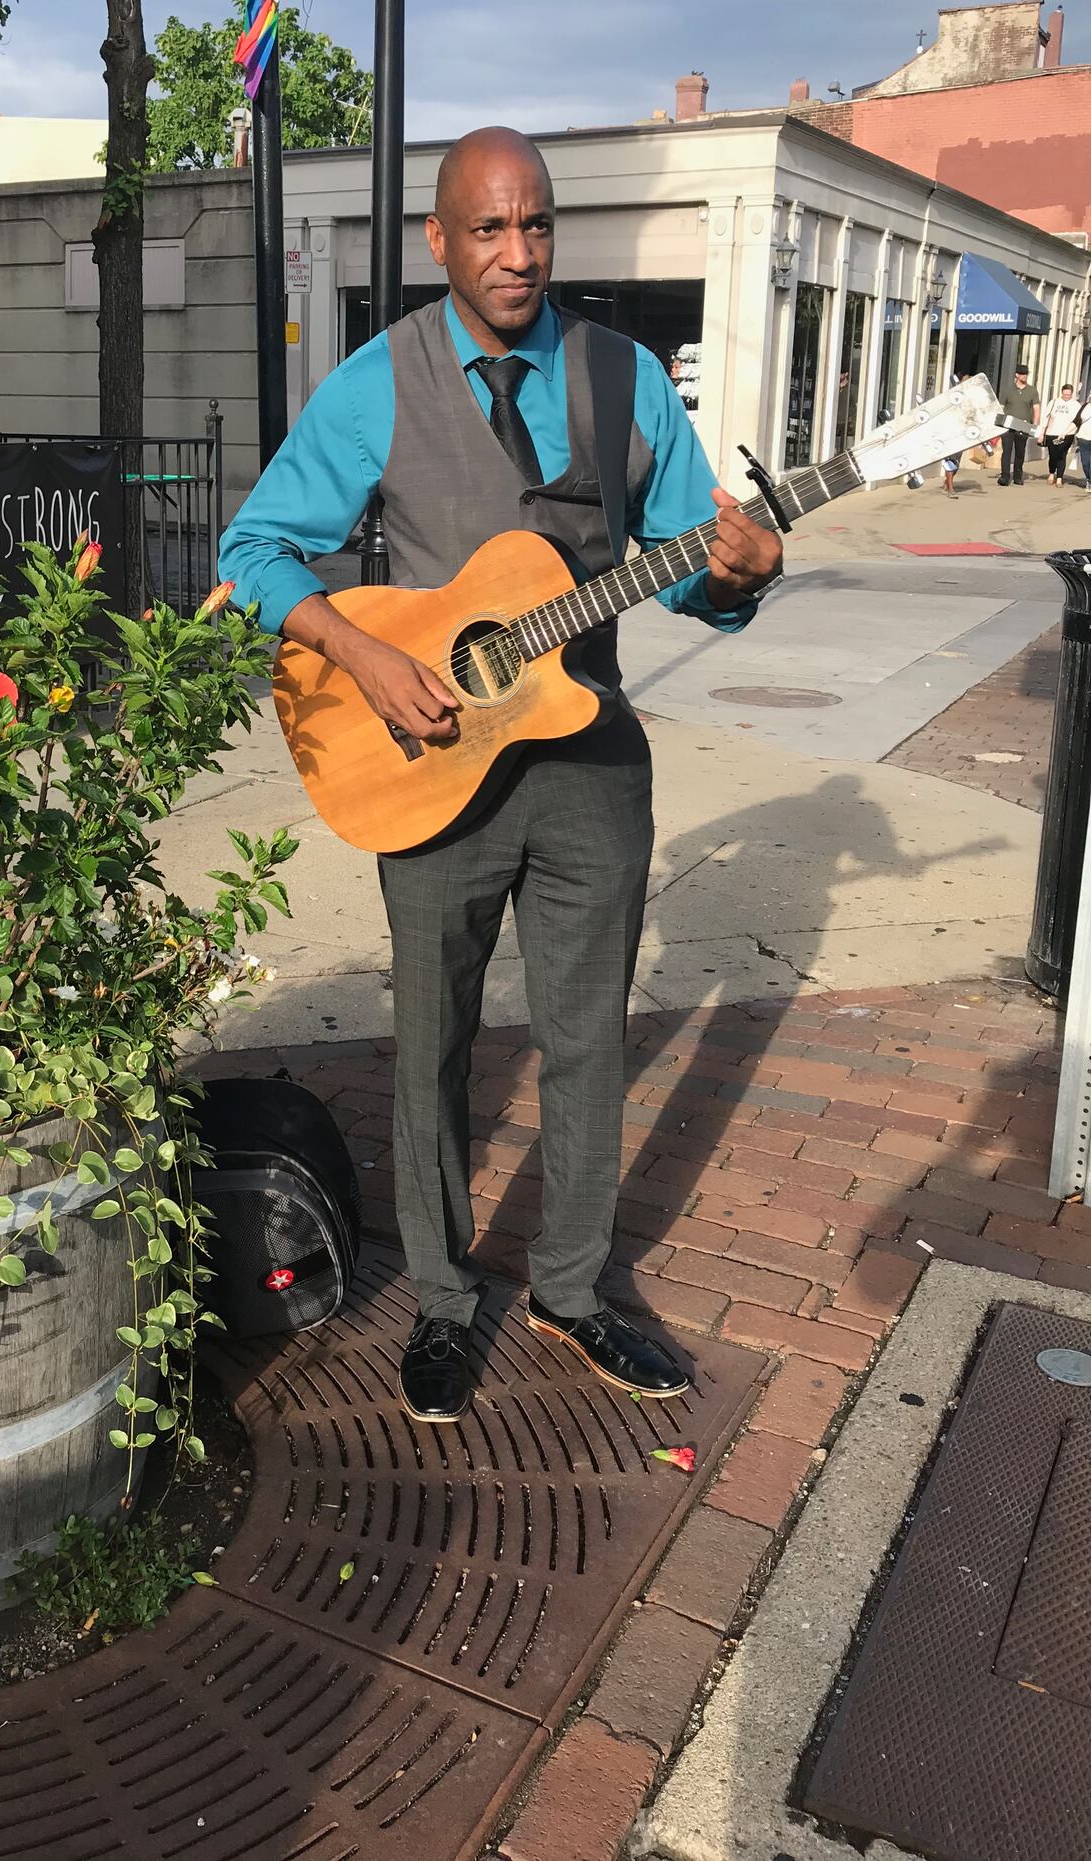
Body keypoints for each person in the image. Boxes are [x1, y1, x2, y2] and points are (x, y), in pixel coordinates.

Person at [219, 128, 783, 1422]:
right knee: (435, 1045)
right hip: (427, 757)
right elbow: (258, 553)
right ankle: (442, 1297)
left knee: (587, 1040)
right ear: (440, 241)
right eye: (490, 230)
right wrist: (358, 650)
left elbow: (697, 564)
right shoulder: (378, 381)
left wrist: (743, 573)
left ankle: (576, 1289)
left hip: (590, 760)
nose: (519, 253)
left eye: (536, 226)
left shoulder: (620, 376)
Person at [996, 363, 1041, 486]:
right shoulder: (1008, 390)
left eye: (1026, 374)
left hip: (1024, 426)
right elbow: (1001, 407)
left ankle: (1017, 476)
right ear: (1016, 375)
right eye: (1022, 374)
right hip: (1008, 426)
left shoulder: (1032, 391)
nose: (1024, 376)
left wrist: (1035, 425)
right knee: (1006, 452)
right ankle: (1004, 476)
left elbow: (1036, 408)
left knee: (1020, 453)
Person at [1042, 384, 1080, 487]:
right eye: (1064, 394)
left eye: (1068, 394)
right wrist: (1042, 433)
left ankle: (1059, 478)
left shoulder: (1076, 405)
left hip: (1067, 434)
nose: (1066, 396)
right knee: (1053, 454)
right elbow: (1046, 417)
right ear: (1061, 393)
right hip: (1052, 432)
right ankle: (1051, 473)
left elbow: (1077, 421)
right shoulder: (1054, 402)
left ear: (1072, 394)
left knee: (1062, 454)